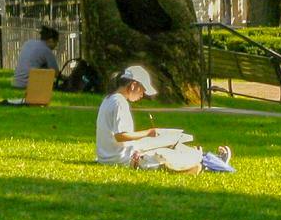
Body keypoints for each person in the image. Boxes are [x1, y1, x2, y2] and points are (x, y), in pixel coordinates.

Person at [94, 65, 222, 173]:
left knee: (167, 142)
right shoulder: (119, 103)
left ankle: (207, 158)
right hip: (121, 158)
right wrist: (149, 133)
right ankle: (208, 161)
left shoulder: (110, 99)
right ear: (133, 85)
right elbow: (120, 136)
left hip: (110, 156)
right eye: (142, 91)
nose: (142, 95)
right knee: (166, 154)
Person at [13, 24, 61, 91]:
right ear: (51, 40)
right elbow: (56, 74)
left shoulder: (28, 43)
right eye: (56, 42)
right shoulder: (46, 51)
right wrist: (67, 79)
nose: (56, 45)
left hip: (16, 83)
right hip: (29, 85)